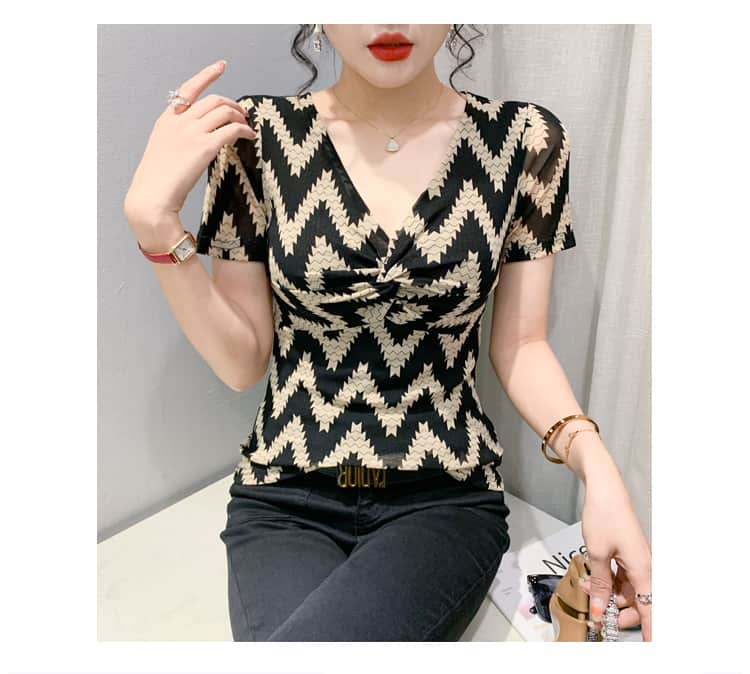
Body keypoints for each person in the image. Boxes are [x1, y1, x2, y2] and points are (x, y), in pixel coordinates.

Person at [123, 24, 652, 642]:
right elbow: (242, 362)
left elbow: (521, 344)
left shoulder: (524, 140)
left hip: (442, 498)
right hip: (285, 496)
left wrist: (597, 466)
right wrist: (155, 226)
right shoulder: (257, 138)